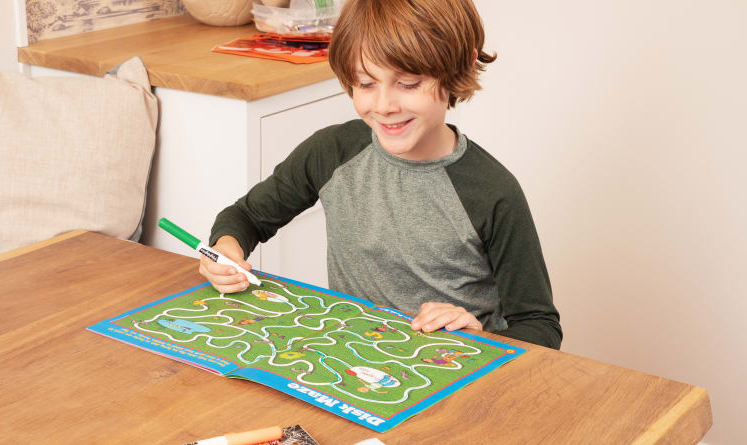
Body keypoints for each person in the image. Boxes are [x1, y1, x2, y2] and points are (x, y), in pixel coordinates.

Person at [199, 0, 562, 349]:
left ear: (458, 68)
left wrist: (480, 337)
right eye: (366, 83)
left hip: (457, 376)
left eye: (408, 84)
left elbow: (540, 325)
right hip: (359, 366)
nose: (384, 106)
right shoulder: (333, 152)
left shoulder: (493, 191)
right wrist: (225, 249)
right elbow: (246, 216)